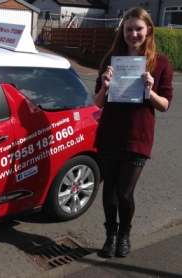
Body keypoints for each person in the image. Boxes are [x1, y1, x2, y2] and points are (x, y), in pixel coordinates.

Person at [94, 7, 173, 258]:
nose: (133, 34)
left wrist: (149, 90)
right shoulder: (111, 60)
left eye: (138, 28)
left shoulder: (160, 62)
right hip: (109, 133)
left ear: (148, 29)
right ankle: (110, 235)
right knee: (109, 190)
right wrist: (105, 86)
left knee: (124, 193)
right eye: (128, 29)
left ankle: (124, 234)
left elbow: (165, 105)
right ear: (123, 31)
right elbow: (97, 103)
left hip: (137, 134)